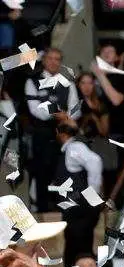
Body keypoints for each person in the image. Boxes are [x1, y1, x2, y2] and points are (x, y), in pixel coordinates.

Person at [25, 47, 80, 212]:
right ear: (44, 60)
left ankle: (62, 212)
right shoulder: (32, 81)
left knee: (63, 175)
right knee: (42, 176)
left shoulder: (68, 83)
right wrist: (59, 114)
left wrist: (67, 117)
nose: (53, 62)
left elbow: (76, 108)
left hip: (64, 138)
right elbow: (35, 110)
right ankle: (42, 213)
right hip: (42, 137)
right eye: (50, 58)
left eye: (57, 59)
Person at [55, 122, 104, 266]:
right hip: (75, 210)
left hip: (80, 210)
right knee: (74, 247)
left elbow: (95, 161)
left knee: (78, 249)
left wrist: (91, 196)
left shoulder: (73, 148)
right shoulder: (67, 150)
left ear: (62, 134)